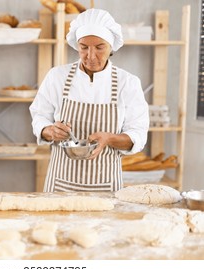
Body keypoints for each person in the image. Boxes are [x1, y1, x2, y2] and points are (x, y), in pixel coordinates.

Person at [29, 8, 149, 192]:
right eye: (84, 47)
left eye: (99, 47)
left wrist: (109, 138)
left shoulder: (128, 83)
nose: (90, 56)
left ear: (111, 46)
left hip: (107, 189)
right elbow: (39, 116)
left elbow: (138, 135)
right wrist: (49, 130)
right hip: (61, 186)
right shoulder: (57, 77)